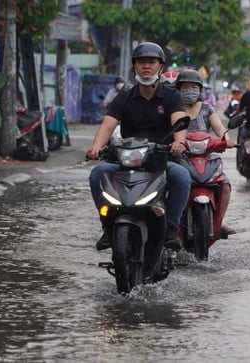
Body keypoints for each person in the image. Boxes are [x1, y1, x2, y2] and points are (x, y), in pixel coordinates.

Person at [87, 42, 190, 251]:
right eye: (141, 62)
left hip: (161, 161)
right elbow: (107, 126)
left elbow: (180, 121)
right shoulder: (123, 97)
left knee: (182, 175)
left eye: (151, 62)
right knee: (97, 174)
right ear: (134, 67)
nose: (146, 66)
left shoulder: (171, 96)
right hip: (127, 162)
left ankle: (171, 229)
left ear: (160, 67)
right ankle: (107, 227)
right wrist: (96, 147)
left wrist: (179, 143)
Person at [176, 69, 236, 238]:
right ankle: (171, 224)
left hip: (206, 159)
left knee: (225, 185)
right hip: (181, 158)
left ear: (200, 89)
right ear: (178, 89)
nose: (189, 91)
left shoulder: (207, 109)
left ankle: (218, 222)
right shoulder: (175, 109)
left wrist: (226, 139)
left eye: (193, 87)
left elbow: (219, 128)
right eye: (185, 87)